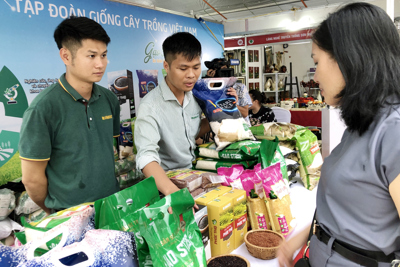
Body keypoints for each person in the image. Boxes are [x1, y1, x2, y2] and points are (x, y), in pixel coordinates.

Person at [278, 3, 400, 267]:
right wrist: (298, 239)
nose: (316, 75)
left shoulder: (393, 132)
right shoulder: (363, 122)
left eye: (317, 62)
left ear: (348, 59)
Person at [19, 17, 120, 214]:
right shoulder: (43, 108)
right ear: (66, 56)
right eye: (91, 56)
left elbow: (110, 152)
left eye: (104, 55)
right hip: (69, 214)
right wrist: (56, 212)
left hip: (111, 206)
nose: (101, 64)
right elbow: (31, 179)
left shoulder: (109, 99)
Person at [134, 32, 210, 197]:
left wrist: (218, 115)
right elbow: (146, 156)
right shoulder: (150, 106)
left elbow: (193, 132)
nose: (191, 75)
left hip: (195, 176)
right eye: (183, 68)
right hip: (166, 184)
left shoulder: (195, 95)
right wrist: (171, 191)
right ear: (166, 67)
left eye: (196, 67)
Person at [205, 58, 252, 125]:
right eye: (219, 70)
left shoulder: (240, 87)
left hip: (241, 129)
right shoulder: (210, 89)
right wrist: (209, 81)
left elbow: (245, 113)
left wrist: (232, 103)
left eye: (224, 69)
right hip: (220, 128)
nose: (222, 73)